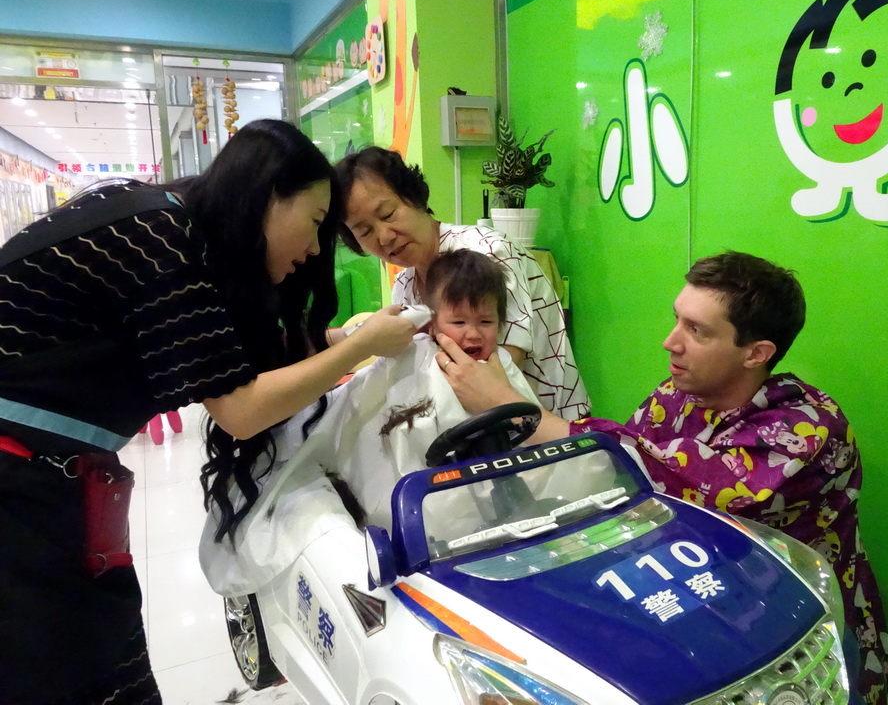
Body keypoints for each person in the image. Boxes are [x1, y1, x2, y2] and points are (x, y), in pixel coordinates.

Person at [0, 119, 415, 705]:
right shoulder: (167, 239)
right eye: (319, 223)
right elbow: (240, 410)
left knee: (108, 658)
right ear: (269, 195)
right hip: (17, 479)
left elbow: (240, 369)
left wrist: (339, 340)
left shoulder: (178, 221)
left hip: (55, 476)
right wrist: (360, 347)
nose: (318, 248)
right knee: (63, 670)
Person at [436, 251, 888, 705]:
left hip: (793, 621)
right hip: (695, 600)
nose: (671, 343)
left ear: (756, 353)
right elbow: (623, 481)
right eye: (678, 320)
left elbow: (682, 483)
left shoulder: (807, 430)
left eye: (696, 331)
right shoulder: (678, 395)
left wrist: (517, 411)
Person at [200, 248, 538, 594]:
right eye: (459, 322)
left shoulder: (500, 366)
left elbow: (528, 425)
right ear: (433, 320)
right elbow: (361, 402)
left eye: (486, 322)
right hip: (412, 488)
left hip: (486, 495)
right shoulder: (411, 355)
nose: (473, 335)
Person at [335, 145, 590, 420]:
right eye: (364, 231)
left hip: (549, 432)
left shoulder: (487, 253)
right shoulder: (405, 285)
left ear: (414, 197)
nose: (384, 237)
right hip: (473, 433)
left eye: (388, 214)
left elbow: (499, 371)